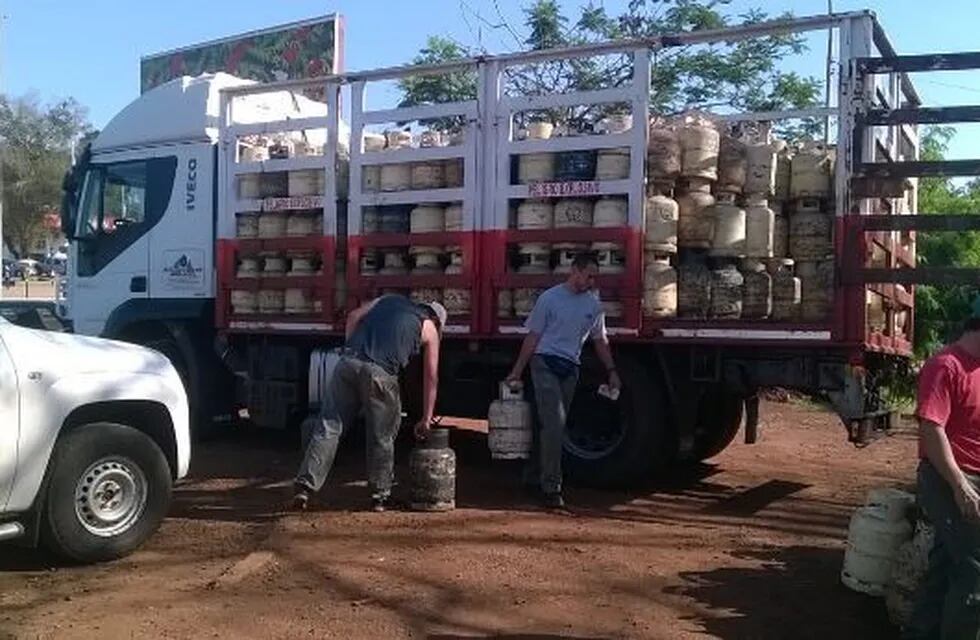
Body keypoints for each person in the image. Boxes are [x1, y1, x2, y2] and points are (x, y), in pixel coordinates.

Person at [293, 295, 446, 512]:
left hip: (347, 364)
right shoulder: (429, 327)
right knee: (381, 436)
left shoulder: (389, 299)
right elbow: (431, 377)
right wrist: (426, 418)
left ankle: (304, 488)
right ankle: (380, 497)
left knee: (329, 426)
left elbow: (353, 316)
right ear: (437, 320)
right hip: (380, 374)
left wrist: (349, 350)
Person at [504, 252, 621, 509]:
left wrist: (611, 370)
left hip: (570, 368)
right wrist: (517, 370)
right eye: (588, 276)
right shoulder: (550, 299)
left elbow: (599, 340)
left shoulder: (593, 305)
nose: (592, 281)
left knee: (550, 426)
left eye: (594, 277)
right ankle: (551, 488)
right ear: (575, 270)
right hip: (544, 362)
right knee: (555, 425)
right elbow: (533, 337)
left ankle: (533, 476)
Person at [908, 309, 980, 639]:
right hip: (947, 478)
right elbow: (931, 430)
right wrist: (960, 485)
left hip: (971, 478)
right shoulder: (945, 365)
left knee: (946, 563)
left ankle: (920, 633)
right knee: (974, 570)